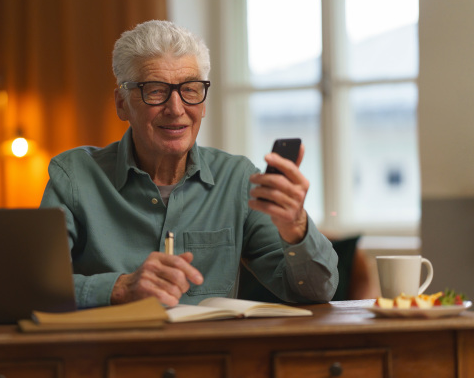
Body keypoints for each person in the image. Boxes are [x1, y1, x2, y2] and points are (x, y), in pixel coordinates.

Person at [40, 20, 338, 309]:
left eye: (191, 89)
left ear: (203, 102)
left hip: (212, 357)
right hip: (105, 357)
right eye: (155, 90)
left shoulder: (237, 180)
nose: (176, 108)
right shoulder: (74, 176)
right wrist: (119, 289)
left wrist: (295, 227)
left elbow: (315, 291)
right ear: (122, 103)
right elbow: (33, 287)